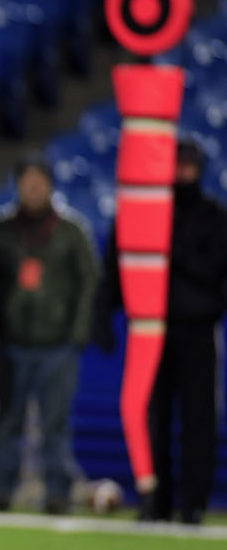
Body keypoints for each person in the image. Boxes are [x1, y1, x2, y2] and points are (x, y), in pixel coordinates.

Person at [99, 135, 227, 523]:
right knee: (148, 418)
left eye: (188, 164)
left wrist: (172, 254)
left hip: (196, 329)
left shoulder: (214, 216)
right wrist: (104, 313)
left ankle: (193, 503)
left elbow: (216, 271)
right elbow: (116, 264)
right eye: (176, 163)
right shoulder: (140, 211)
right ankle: (154, 499)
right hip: (148, 328)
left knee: (198, 419)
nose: (181, 171)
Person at [0, 154, 98, 514]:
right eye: (27, 181)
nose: (33, 188)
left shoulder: (71, 231)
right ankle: (1, 490)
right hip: (11, 341)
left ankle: (57, 492)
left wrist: (77, 334)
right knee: (8, 420)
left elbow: (89, 284)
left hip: (58, 343)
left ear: (50, 185)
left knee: (56, 422)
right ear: (17, 186)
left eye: (40, 181)